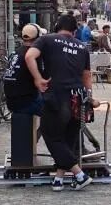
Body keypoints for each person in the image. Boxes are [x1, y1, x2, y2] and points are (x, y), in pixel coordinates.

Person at [25, 15, 98, 192]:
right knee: (68, 140)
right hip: (78, 99)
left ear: (57, 26)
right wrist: (89, 98)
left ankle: (80, 175)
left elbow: (29, 56)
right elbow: (87, 76)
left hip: (57, 97)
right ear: (75, 31)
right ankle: (58, 179)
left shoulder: (47, 40)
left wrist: (37, 78)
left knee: (51, 136)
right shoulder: (82, 47)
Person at [3, 23, 44, 117]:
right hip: (27, 103)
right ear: (38, 38)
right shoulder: (33, 55)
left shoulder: (15, 53)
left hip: (10, 103)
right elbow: (41, 79)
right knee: (53, 108)